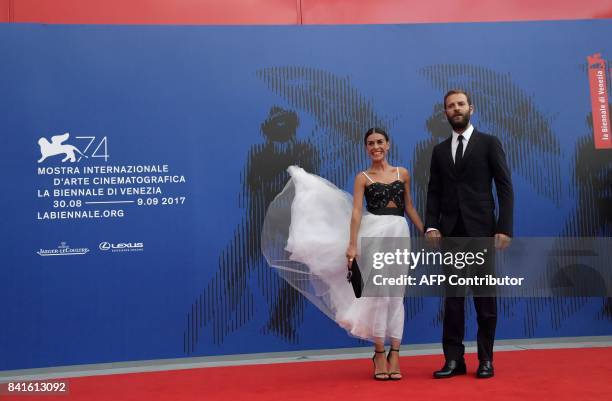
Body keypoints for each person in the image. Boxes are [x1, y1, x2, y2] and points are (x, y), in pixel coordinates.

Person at [262, 128, 424, 381]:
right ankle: (379, 352)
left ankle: (396, 352)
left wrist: (426, 230)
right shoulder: (362, 177)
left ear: (388, 145)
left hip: (400, 234)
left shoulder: (402, 173)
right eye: (370, 143)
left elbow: (410, 206)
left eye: (380, 142)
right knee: (379, 294)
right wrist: (352, 245)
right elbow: (357, 212)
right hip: (374, 236)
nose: (376, 147)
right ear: (366, 148)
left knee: (396, 294)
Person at [425, 89, 514, 379]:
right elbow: (434, 192)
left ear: (471, 108)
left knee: (485, 300)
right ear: (445, 113)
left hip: (482, 232)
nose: (456, 109)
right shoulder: (439, 151)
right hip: (451, 234)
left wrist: (504, 227)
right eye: (451, 106)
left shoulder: (489, 143)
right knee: (453, 301)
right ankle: (454, 360)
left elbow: (504, 187)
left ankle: (486, 360)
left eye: (461, 104)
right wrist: (432, 224)